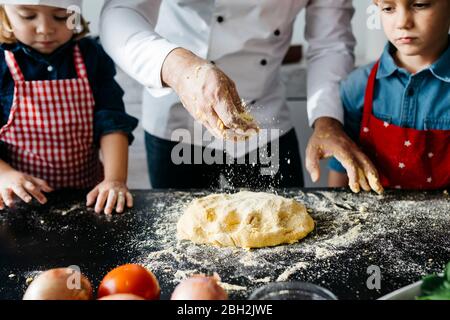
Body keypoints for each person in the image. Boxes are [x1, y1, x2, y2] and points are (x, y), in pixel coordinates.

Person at [100, 0, 378, 191]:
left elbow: (331, 43)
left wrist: (327, 120)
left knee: (285, 246)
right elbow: (120, 13)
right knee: (186, 255)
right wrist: (178, 68)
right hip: (178, 118)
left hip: (266, 120)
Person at [0, 0, 138, 214]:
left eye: (61, 16)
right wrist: (4, 174)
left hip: (88, 197)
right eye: (27, 16)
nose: (45, 29)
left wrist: (115, 180)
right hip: (20, 199)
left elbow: (112, 122)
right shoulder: (2, 63)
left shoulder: (92, 56)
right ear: (5, 13)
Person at [328, 0, 450, 191]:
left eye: (419, 5)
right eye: (388, 8)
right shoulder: (358, 86)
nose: (402, 22)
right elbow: (342, 170)